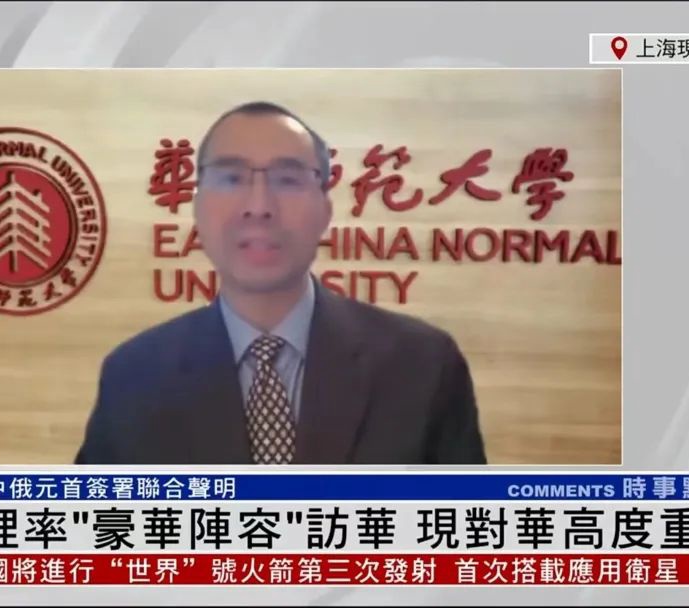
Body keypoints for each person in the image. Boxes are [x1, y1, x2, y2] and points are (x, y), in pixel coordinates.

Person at [75, 101, 486, 465]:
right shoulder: (134, 375)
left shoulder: (422, 366)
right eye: (232, 179)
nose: (258, 207)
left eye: (287, 180)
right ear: (197, 208)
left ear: (326, 211)